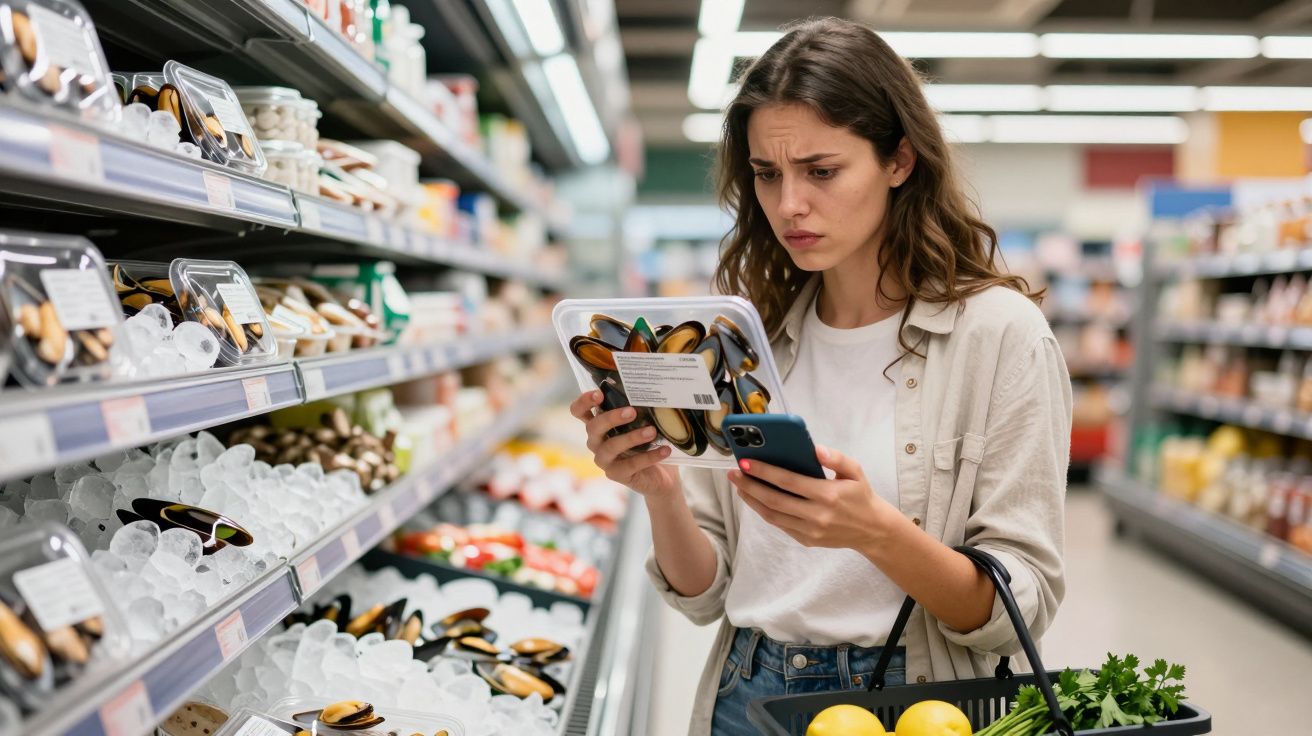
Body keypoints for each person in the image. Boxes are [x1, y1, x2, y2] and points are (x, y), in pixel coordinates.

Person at [568, 16, 1071, 736]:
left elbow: (1014, 609)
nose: (788, 205)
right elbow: (703, 593)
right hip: (748, 696)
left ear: (899, 160)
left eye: (821, 171)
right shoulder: (746, 342)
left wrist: (877, 534)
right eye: (767, 175)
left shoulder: (1000, 337)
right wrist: (660, 490)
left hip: (912, 703)